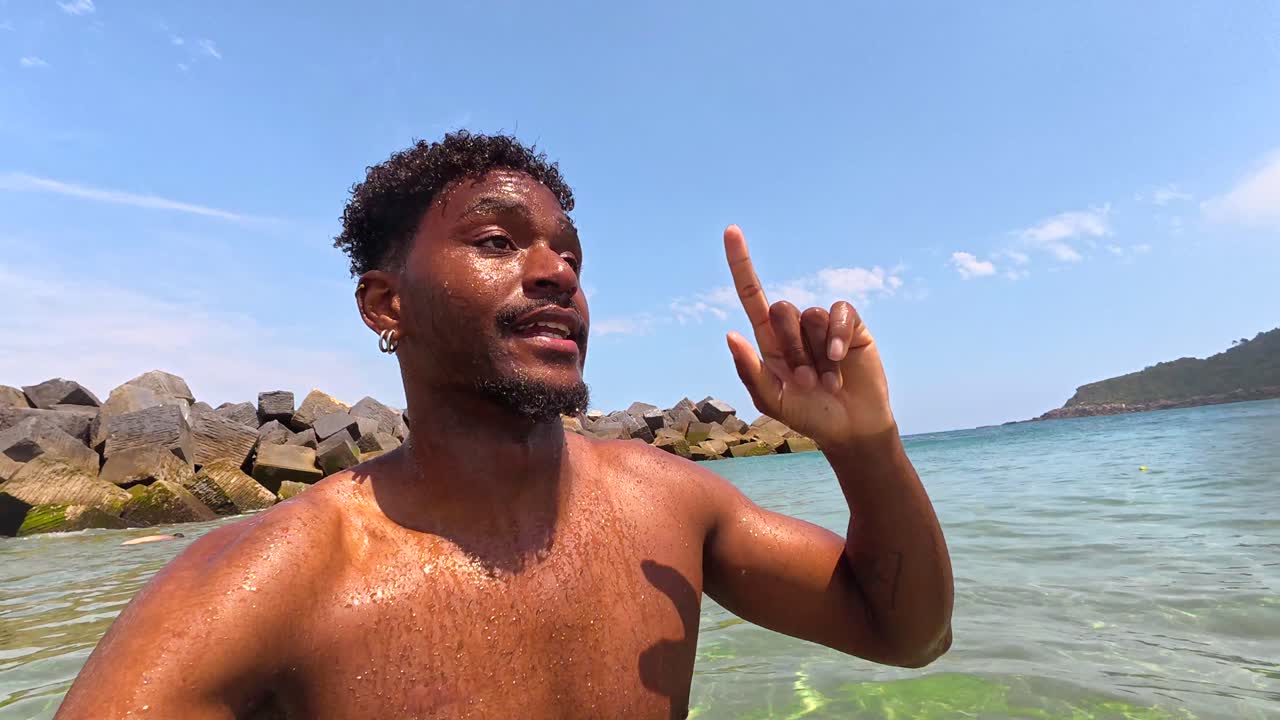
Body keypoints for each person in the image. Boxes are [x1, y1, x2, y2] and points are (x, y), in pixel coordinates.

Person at [56, 132, 953, 719]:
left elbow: (906, 633)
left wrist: (864, 443)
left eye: (570, 255)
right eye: (498, 243)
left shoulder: (667, 509)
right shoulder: (275, 580)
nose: (556, 272)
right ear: (384, 304)